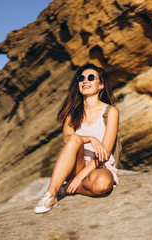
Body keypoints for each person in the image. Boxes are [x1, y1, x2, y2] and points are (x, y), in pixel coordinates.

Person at [34, 63, 119, 214]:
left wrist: (79, 178)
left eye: (91, 78)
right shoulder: (71, 112)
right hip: (76, 164)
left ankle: (67, 188)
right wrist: (90, 139)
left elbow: (104, 152)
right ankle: (51, 195)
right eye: (81, 78)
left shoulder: (110, 111)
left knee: (103, 185)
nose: (85, 81)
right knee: (74, 138)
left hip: (98, 166)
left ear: (100, 85)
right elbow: (67, 138)